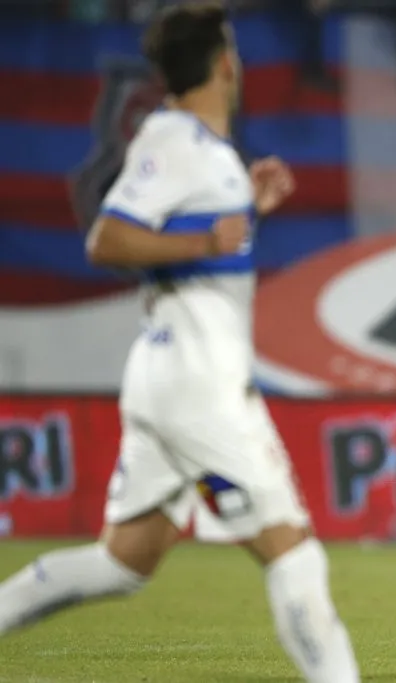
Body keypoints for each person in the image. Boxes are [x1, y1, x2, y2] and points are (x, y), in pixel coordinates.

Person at [0, 5, 359, 682]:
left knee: (122, 561)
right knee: (294, 553)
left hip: (169, 373)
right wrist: (206, 238)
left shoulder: (206, 152)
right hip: (201, 385)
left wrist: (244, 208)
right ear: (226, 63)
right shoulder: (173, 140)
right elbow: (107, 238)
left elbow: (194, 245)